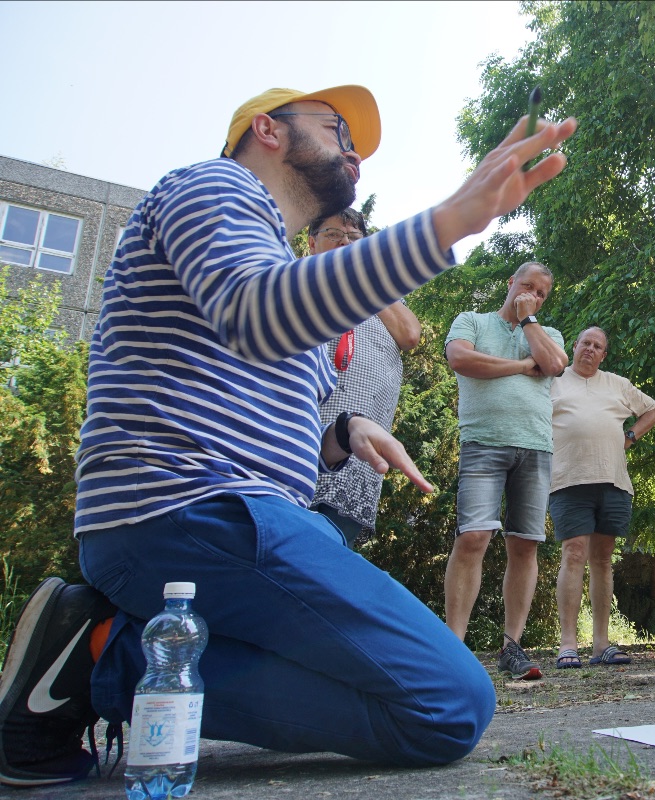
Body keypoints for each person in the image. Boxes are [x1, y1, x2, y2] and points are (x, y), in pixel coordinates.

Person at [0, 84, 576, 786]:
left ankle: (100, 658)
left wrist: (340, 433)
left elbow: (270, 428)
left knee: (422, 699)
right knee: (449, 704)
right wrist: (449, 220)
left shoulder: (276, 268)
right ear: (267, 130)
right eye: (337, 127)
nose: (354, 153)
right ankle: (106, 657)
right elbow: (253, 314)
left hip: (223, 519)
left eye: (358, 146)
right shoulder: (215, 186)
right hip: (189, 508)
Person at [443, 262, 568, 680]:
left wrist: (529, 318)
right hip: (483, 442)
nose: (531, 293)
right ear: (509, 283)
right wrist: (518, 366)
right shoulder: (472, 320)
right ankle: (453, 648)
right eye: (526, 286)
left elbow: (553, 365)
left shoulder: (547, 334)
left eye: (541, 294)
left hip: (535, 445)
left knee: (525, 545)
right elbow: (461, 358)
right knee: (474, 536)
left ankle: (512, 646)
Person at [549, 326, 655, 668]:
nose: (590, 349)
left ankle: (601, 644)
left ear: (603, 354)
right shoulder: (552, 381)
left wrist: (630, 435)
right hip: (568, 479)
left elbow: (654, 410)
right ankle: (568, 643)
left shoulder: (617, 384)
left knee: (602, 559)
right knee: (573, 554)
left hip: (613, 481)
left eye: (598, 346)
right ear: (575, 346)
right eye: (586, 343)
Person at [309, 207, 422, 546]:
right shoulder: (298, 280)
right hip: (304, 436)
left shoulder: (380, 295)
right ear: (312, 242)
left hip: (359, 445)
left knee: (331, 559)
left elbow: (410, 335)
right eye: (333, 235)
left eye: (354, 238)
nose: (344, 242)